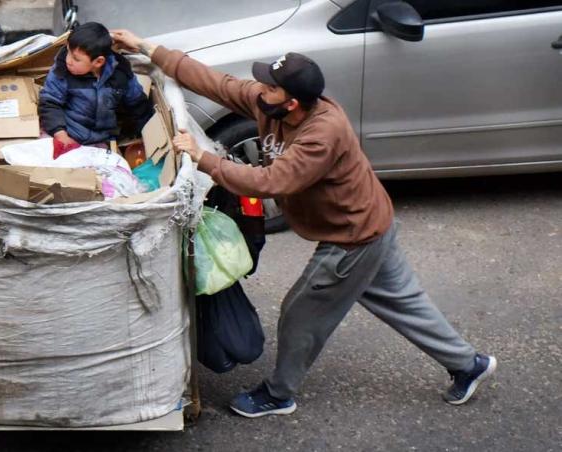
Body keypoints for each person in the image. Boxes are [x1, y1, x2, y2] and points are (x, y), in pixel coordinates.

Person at [111, 29, 497, 418]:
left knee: (300, 315)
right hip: (372, 223)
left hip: (352, 237)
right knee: (405, 303)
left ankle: (278, 394)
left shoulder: (321, 134)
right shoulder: (272, 104)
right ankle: (469, 365)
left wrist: (202, 157)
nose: (259, 89)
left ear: (292, 102)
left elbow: (270, 181)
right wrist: (146, 47)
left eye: (269, 86)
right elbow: (218, 83)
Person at [38, 22, 153, 158]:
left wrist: (145, 136)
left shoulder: (121, 73)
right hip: (66, 134)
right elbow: (50, 103)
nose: (68, 60)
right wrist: (61, 135)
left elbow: (138, 106)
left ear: (98, 62)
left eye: (76, 58)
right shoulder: (61, 70)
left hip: (100, 141)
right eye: (68, 51)